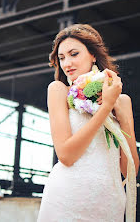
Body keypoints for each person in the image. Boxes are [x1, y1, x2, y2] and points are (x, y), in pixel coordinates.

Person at [37, 23, 139, 222]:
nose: (67, 63)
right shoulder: (58, 90)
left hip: (110, 203)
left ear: (93, 54)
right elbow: (66, 156)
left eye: (74, 54)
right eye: (62, 57)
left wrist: (121, 114)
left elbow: (130, 169)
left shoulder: (123, 101)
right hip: (67, 200)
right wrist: (105, 108)